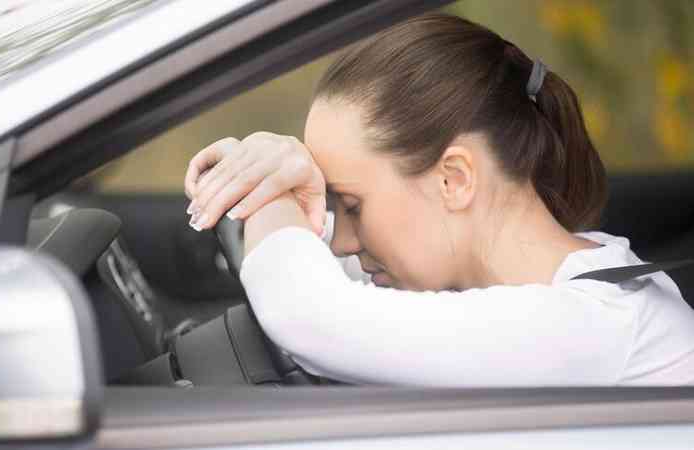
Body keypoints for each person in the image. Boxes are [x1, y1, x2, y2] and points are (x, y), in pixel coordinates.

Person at [182, 13, 694, 386]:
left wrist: (264, 187)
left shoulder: (595, 326)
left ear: (454, 179)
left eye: (352, 206)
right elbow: (322, 287)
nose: (344, 243)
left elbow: (312, 317)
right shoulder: (569, 279)